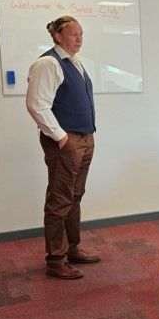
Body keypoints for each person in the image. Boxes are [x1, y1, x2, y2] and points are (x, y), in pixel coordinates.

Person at [26, 16, 100, 280]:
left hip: (84, 137)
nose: (79, 39)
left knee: (75, 195)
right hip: (66, 141)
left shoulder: (74, 62)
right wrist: (61, 137)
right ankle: (55, 260)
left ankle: (72, 248)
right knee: (60, 199)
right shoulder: (48, 63)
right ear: (58, 36)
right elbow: (37, 104)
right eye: (73, 34)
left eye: (81, 34)